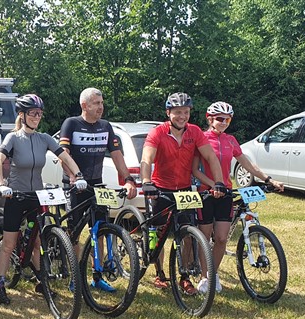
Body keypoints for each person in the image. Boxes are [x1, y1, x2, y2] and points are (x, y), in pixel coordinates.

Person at [0, 94, 87, 305]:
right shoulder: (13, 138)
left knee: (36, 242)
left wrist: (78, 175)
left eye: (39, 113)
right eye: (33, 113)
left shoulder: (44, 138)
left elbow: (65, 157)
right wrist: (1, 183)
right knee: (9, 244)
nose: (37, 117)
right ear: (22, 115)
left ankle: (40, 282)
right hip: (16, 195)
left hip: (36, 196)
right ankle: (0, 284)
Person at [191, 101, 284, 293]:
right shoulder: (202, 138)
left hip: (225, 192)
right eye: (220, 119)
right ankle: (204, 277)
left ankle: (213, 274)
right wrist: (212, 185)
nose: (224, 122)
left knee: (221, 238)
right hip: (206, 193)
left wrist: (268, 179)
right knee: (204, 238)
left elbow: (247, 164)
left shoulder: (231, 140)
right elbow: (194, 170)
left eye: (228, 120)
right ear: (210, 119)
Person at [139, 92, 226, 295]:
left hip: (185, 189)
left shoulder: (194, 132)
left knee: (188, 234)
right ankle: (159, 273)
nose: (182, 116)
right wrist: (146, 182)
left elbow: (211, 157)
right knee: (158, 232)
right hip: (160, 188)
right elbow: (147, 158)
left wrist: (219, 182)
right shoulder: (157, 133)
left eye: (186, 112)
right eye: (178, 112)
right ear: (168, 113)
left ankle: (184, 276)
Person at [58, 87, 138, 293]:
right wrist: (74, 177)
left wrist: (128, 179)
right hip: (75, 186)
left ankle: (97, 275)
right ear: (84, 105)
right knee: (74, 234)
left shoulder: (105, 126)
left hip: (97, 185)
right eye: (96, 103)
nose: (101, 107)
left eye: (102, 103)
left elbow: (117, 155)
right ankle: (76, 277)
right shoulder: (71, 124)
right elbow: (63, 155)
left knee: (100, 230)